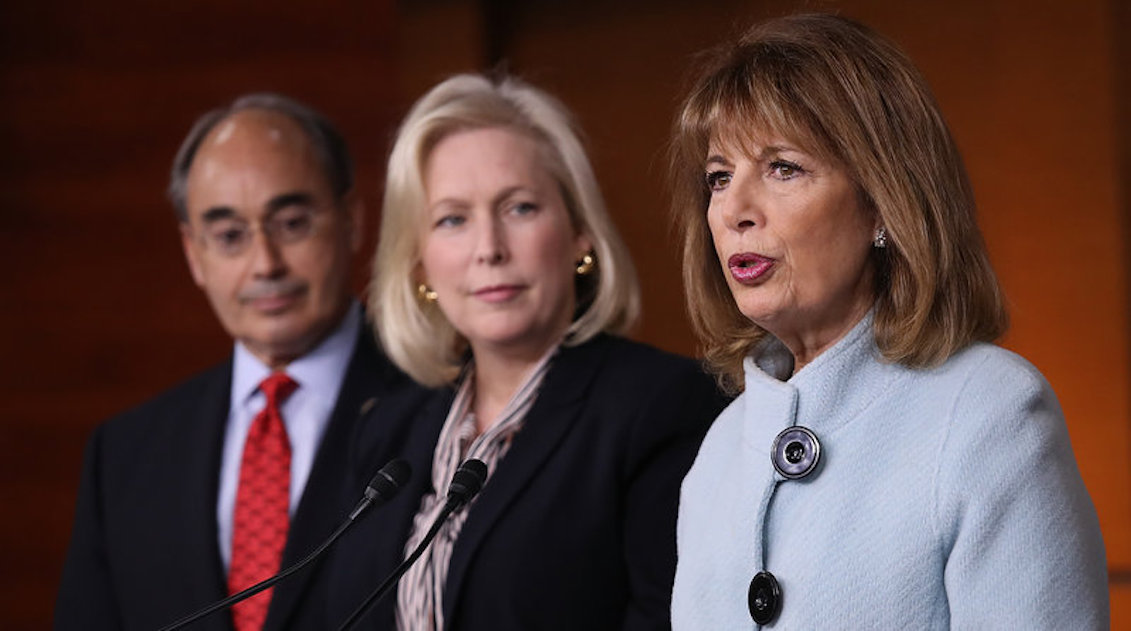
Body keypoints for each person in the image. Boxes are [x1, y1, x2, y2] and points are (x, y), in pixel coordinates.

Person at [668, 13, 1109, 629]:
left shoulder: (991, 411)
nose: (733, 209)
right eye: (719, 177)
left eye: (782, 168)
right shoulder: (720, 449)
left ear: (882, 202)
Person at [326, 74, 728, 630]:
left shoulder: (662, 408)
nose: (488, 249)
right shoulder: (385, 431)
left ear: (580, 233)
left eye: (518, 208)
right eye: (453, 219)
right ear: (419, 264)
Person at [55, 94, 430, 631]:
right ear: (193, 253)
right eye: (230, 236)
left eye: (293, 223)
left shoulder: (441, 408)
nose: (265, 264)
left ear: (351, 221)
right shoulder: (124, 456)